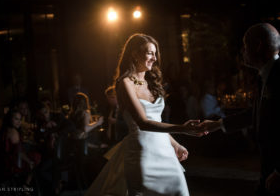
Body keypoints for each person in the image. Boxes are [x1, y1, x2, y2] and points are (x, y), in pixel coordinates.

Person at [85, 33, 207, 196]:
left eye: (155, 53)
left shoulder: (152, 83)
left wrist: (175, 144)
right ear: (134, 53)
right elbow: (143, 123)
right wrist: (182, 128)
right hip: (143, 154)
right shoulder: (125, 83)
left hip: (165, 152)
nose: (154, 58)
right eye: (150, 53)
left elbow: (155, 120)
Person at [202, 23, 280, 195]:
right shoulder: (264, 76)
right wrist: (216, 125)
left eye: (245, 46)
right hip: (268, 167)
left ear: (258, 46)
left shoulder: (279, 75)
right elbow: (254, 114)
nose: (242, 51)